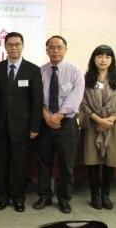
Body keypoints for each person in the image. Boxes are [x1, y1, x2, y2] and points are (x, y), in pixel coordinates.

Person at [33, 36, 84, 214]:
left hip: (67, 124)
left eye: (59, 47)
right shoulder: (39, 71)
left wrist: (59, 115)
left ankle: (64, 199)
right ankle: (44, 196)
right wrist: (47, 115)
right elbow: (36, 97)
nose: (55, 50)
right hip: (45, 123)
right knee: (43, 163)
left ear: (65, 49)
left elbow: (76, 96)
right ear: (46, 50)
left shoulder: (75, 71)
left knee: (66, 164)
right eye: (51, 47)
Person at [0, 32, 42, 212]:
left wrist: (35, 126)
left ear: (22, 46)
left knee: (20, 165)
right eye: (10, 44)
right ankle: (3, 197)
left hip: (23, 127)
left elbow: (37, 101)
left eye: (17, 44)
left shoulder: (33, 70)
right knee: (1, 164)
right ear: (5, 46)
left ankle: (18, 198)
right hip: (0, 126)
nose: (14, 47)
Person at [79, 45, 116, 210]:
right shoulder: (86, 79)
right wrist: (98, 120)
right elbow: (82, 103)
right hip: (92, 124)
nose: (103, 60)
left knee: (110, 160)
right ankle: (95, 194)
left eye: (107, 57)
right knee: (93, 161)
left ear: (112, 60)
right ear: (94, 59)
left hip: (114, 125)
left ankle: (106, 194)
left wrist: (110, 120)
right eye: (100, 56)